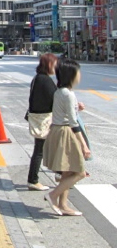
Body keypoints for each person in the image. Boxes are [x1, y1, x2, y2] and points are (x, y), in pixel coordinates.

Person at [43, 59, 91, 216]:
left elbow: (65, 113)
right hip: (66, 133)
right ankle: (53, 195)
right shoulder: (68, 94)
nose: (79, 75)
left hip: (58, 131)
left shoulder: (60, 91)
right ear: (71, 75)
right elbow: (72, 121)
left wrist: (77, 108)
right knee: (79, 172)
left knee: (67, 172)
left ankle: (63, 205)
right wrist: (84, 145)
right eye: (78, 72)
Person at [26, 53, 58, 191]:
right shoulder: (45, 80)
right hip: (44, 119)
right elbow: (55, 99)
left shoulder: (37, 78)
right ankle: (33, 180)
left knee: (46, 148)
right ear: (49, 64)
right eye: (55, 64)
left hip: (39, 118)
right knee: (40, 150)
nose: (56, 67)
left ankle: (60, 173)